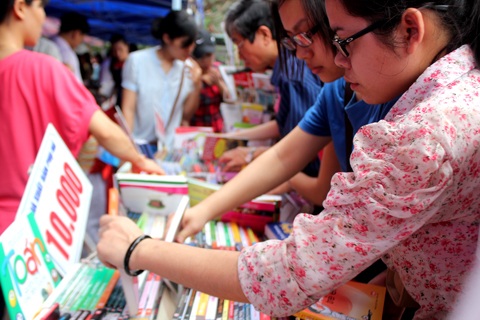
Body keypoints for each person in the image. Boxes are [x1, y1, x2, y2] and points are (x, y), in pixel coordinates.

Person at [98, 0, 480, 319]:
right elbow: (285, 153)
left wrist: (139, 250)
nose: (337, 58)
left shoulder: (420, 136)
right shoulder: (453, 86)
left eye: (342, 39)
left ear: (410, 30)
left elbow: (288, 274)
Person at [0, 0, 164, 235]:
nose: (43, 16)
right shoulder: (44, 68)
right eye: (40, 6)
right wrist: (140, 160)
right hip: (29, 233)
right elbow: (104, 130)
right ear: (19, 7)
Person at [218, 0, 325, 179]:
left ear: (264, 35)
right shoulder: (287, 68)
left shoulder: (293, 72)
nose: (240, 55)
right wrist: (237, 136)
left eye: (240, 45)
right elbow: (288, 124)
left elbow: (308, 144)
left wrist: (251, 154)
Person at [121, 11, 202, 151]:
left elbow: (186, 114)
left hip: (169, 150)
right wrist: (127, 147)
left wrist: (197, 85)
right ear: (166, 38)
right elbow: (128, 109)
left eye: (193, 43)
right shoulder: (137, 61)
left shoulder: (190, 69)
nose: (190, 48)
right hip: (140, 146)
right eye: (185, 44)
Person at [189, 29, 228, 133]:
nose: (205, 61)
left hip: (218, 129)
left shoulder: (218, 70)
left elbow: (229, 99)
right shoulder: (188, 74)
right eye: (200, 57)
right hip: (198, 132)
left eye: (209, 55)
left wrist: (218, 84)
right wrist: (198, 82)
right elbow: (187, 111)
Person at [51, 12, 89, 81]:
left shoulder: (49, 43)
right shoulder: (67, 54)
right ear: (76, 34)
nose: (80, 42)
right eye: (82, 39)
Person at [99, 34, 130, 108]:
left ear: (127, 47)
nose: (117, 53)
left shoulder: (134, 63)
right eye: (114, 50)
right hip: (118, 103)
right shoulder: (111, 64)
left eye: (120, 49)